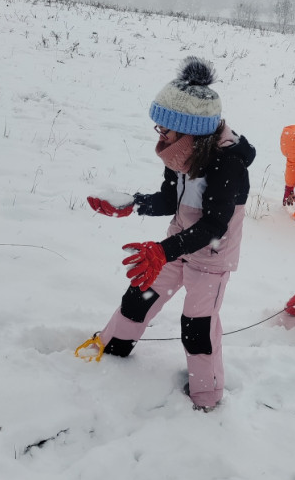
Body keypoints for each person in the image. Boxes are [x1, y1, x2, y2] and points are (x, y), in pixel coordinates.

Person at [78, 56, 256, 412]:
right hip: (176, 246)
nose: (160, 135)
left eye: (165, 129)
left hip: (211, 257)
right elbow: (169, 198)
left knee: (197, 327)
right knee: (139, 296)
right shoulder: (182, 153)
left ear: (191, 130)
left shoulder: (227, 164)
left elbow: (214, 226)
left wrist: (163, 250)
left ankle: (206, 397)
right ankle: (112, 349)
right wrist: (132, 204)